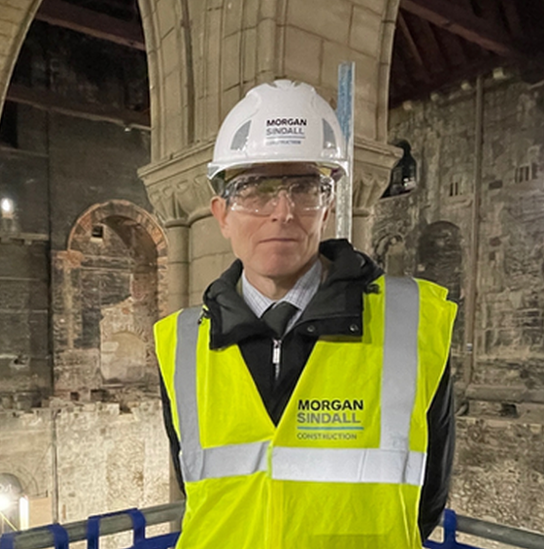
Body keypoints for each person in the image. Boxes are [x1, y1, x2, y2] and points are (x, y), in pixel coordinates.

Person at [154, 80, 456, 549]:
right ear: (222, 213)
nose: (283, 211)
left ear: (328, 204)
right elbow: (195, 486)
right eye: (255, 189)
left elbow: (427, 500)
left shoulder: (412, 324)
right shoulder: (182, 345)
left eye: (303, 188)